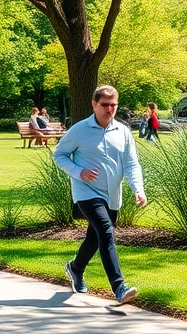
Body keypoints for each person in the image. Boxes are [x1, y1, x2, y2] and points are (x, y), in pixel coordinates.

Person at [54, 85, 147, 305]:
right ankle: (119, 286)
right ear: (94, 105)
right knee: (106, 232)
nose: (110, 109)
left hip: (112, 194)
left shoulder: (122, 131)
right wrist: (78, 171)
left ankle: (75, 268)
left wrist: (138, 188)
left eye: (113, 105)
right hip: (86, 191)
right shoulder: (79, 130)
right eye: (105, 105)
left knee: (95, 237)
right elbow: (60, 155)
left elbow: (131, 163)